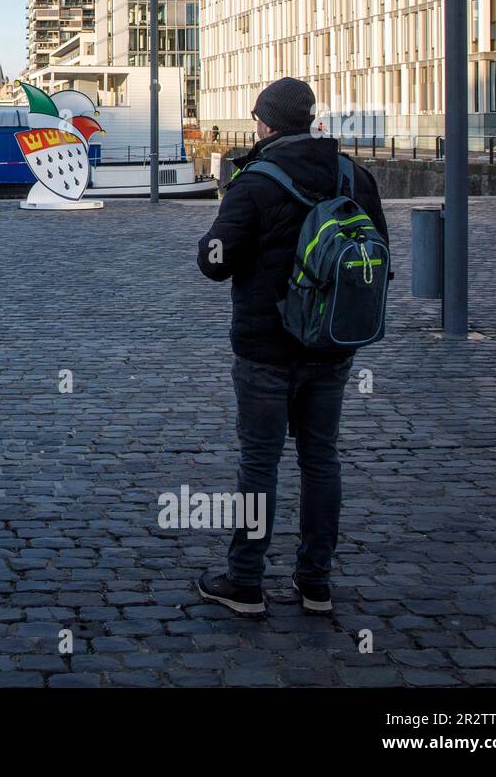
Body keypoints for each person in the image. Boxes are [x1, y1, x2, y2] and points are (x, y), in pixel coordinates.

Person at [195, 77, 387, 616]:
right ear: (309, 119)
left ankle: (246, 582)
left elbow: (215, 262)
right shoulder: (355, 174)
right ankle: (315, 582)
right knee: (321, 458)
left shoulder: (255, 181)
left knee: (259, 462)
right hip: (332, 344)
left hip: (266, 349)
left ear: (266, 121)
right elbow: (379, 257)